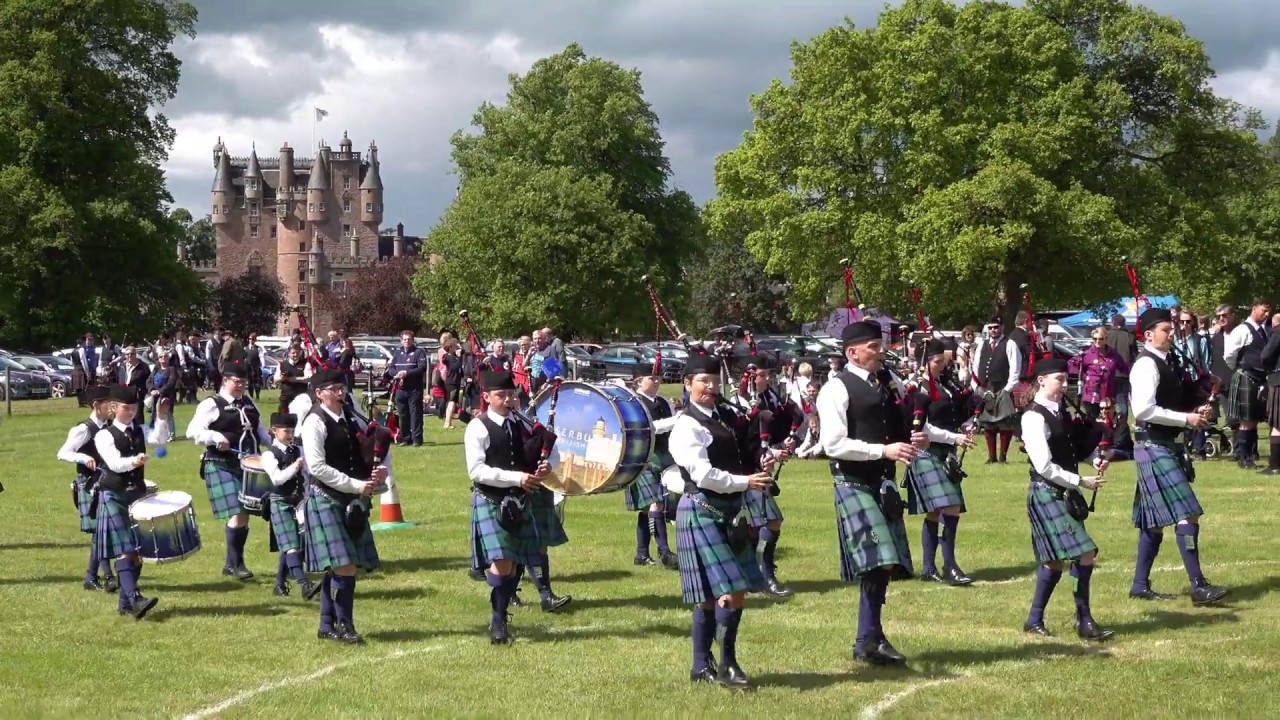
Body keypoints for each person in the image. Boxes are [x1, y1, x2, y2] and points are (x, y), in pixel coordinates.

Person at [818, 320, 942, 666]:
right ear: (852, 353)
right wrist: (882, 451)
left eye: (880, 344)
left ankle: (868, 640)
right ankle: (871, 638)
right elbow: (833, 444)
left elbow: (900, 424)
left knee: (884, 565)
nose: (880, 351)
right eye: (873, 346)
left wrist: (919, 437)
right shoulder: (836, 389)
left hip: (882, 482)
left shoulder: (887, 384)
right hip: (853, 480)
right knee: (879, 560)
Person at [671, 353, 773, 688]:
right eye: (704, 381)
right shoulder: (686, 425)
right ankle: (723, 665)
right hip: (702, 508)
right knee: (727, 591)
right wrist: (746, 482)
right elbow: (703, 474)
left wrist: (764, 460)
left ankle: (705, 666)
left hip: (728, 510)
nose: (711, 387)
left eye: (715, 381)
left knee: (726, 591)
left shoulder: (724, 417)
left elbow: (740, 454)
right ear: (687, 384)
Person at [1129, 307, 1229, 606]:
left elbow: (1169, 402)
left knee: (1154, 521)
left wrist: (1195, 409)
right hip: (1153, 445)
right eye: (1166, 331)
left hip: (1164, 444)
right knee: (1189, 512)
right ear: (1148, 335)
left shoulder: (1165, 361)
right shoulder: (1145, 365)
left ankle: (1139, 585)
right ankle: (1198, 585)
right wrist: (1186, 420)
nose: (1172, 334)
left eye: (1171, 330)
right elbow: (1144, 410)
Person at [1020, 357, 1113, 641]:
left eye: (1066, 379)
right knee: (1077, 555)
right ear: (1042, 381)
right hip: (1047, 492)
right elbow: (1043, 465)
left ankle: (1041, 619)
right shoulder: (1033, 417)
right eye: (1059, 379)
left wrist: (1095, 458)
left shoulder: (1061, 411)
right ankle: (1081, 620)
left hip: (1064, 492)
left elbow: (1071, 448)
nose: (1064, 384)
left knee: (1058, 561)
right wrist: (1080, 480)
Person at [300, 369, 385, 644]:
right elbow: (317, 467)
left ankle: (326, 625)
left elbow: (361, 451)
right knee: (344, 566)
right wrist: (355, 485)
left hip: (350, 499)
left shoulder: (350, 416)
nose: (340, 392)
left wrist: (375, 473)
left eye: (342, 387)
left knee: (338, 567)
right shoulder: (314, 422)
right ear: (319, 393)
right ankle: (345, 625)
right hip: (326, 498)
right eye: (333, 388)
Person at [465, 370, 548, 644]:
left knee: (512, 566)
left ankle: (501, 615)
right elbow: (476, 471)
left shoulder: (520, 423)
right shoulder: (478, 427)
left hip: (519, 500)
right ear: (487, 397)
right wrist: (516, 478)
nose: (508, 399)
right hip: (491, 500)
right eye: (501, 395)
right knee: (502, 563)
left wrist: (543, 468)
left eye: (511, 394)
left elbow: (528, 456)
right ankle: (498, 622)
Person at [185, 360, 272, 580]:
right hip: (221, 463)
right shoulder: (211, 404)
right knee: (238, 511)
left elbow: (260, 431)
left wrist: (277, 447)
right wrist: (214, 437)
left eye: (244, 381)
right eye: (237, 381)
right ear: (225, 381)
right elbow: (192, 431)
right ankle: (236, 564)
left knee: (244, 515)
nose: (241, 385)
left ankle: (232, 563)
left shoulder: (249, 402)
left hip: (250, 465)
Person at [905, 340, 976, 586]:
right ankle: (948, 566)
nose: (941, 367)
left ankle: (930, 568)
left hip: (947, 452)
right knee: (950, 506)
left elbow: (953, 413)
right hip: (927, 451)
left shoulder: (944, 385)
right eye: (937, 362)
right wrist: (954, 436)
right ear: (925, 362)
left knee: (939, 510)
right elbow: (922, 426)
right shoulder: (916, 388)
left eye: (943, 362)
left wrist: (966, 425)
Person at [93, 385, 158, 619]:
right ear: (113, 408)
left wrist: (160, 415)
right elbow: (114, 463)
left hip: (137, 494)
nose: (130, 412)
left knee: (138, 550)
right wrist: (135, 461)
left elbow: (160, 438)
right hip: (114, 495)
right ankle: (135, 599)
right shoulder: (104, 435)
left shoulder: (139, 430)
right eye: (126, 408)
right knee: (125, 549)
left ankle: (125, 604)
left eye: (134, 408)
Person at [735, 355, 798, 597]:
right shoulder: (738, 401)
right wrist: (770, 451)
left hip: (760, 466)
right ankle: (764, 575)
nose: (767, 378)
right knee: (770, 520)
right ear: (749, 377)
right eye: (762, 374)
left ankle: (755, 574)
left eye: (767, 374)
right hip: (742, 469)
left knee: (756, 525)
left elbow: (774, 429)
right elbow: (743, 438)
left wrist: (785, 444)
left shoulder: (769, 397)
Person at [56, 385, 115, 592]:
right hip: (89, 484)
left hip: (105, 481)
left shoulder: (108, 427)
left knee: (103, 531)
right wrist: (82, 456)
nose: (112, 405)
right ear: (96, 405)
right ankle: (101, 576)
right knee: (101, 531)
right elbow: (62, 453)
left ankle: (100, 576)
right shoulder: (84, 429)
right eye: (108, 402)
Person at [260, 412, 320, 600]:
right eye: (286, 431)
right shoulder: (269, 454)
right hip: (280, 502)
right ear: (274, 431)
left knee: (294, 544)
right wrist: (295, 467)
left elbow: (309, 473)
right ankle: (305, 585)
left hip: (300, 502)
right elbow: (277, 479)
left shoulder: (298, 450)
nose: (290, 434)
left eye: (292, 430)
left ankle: (279, 584)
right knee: (292, 546)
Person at [625, 371, 679, 569]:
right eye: (651, 378)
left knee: (650, 508)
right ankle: (664, 552)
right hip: (642, 459)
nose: (656, 382)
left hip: (665, 458)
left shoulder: (664, 401)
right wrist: (677, 419)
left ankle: (641, 554)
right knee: (655, 504)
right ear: (639, 380)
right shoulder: (633, 402)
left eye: (658, 378)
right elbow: (647, 428)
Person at [1224, 299, 1272, 468]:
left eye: (1268, 311)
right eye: (1263, 310)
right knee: (1246, 420)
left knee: (1254, 419)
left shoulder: (1266, 331)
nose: (1266, 314)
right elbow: (1229, 355)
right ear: (1254, 308)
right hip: (1246, 376)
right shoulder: (1242, 330)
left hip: (1260, 379)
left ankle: (1249, 455)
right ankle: (1243, 456)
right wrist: (1240, 369)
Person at [971, 316, 1022, 463]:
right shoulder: (982, 344)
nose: (993, 330)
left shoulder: (1010, 344)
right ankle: (991, 457)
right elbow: (976, 366)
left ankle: (1002, 457)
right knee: (988, 424)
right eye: (991, 327)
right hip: (985, 389)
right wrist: (976, 386)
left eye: (996, 327)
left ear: (1002, 327)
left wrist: (1007, 389)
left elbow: (1015, 369)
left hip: (1002, 388)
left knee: (1005, 424)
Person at [1067, 327, 1130, 419]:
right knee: (1093, 421)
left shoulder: (1113, 355)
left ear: (1106, 339)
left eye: (1100, 339)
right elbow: (1071, 365)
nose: (1097, 341)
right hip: (1091, 393)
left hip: (1107, 394)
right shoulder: (1086, 354)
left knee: (1108, 421)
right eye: (1095, 339)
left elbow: (1124, 368)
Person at [384, 330, 428, 446]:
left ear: (412, 340)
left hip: (414, 389)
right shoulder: (398, 353)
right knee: (403, 414)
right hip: (400, 389)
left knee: (415, 415)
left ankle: (417, 439)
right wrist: (397, 374)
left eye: (409, 339)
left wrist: (407, 373)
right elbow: (391, 368)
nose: (406, 341)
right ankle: (405, 438)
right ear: (401, 341)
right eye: (404, 339)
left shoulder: (419, 352)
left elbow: (422, 368)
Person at [1262, 311, 1280, 475]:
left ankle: (1275, 465)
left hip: (1279, 380)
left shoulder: (1278, 332)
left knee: (1277, 424)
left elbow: (1266, 355)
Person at [245, 334, 263, 400]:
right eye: (250, 339)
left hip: (256, 367)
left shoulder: (258, 348)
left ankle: (257, 395)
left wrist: (262, 365)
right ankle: (251, 396)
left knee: (257, 383)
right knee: (250, 383)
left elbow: (261, 357)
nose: (251, 340)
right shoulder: (245, 348)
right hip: (248, 368)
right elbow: (244, 358)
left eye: (252, 339)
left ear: (255, 340)